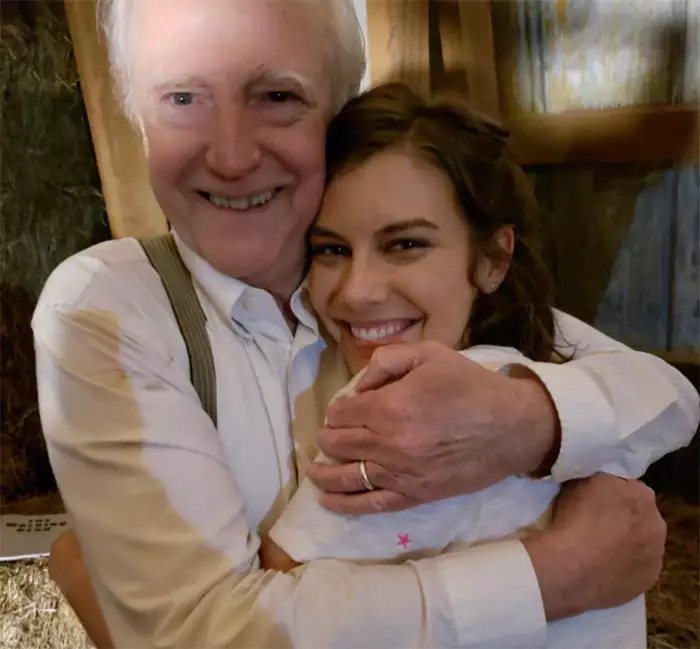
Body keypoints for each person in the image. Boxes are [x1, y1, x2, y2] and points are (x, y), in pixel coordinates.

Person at [34, 0, 698, 647]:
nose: (232, 157)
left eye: (276, 96)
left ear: (337, 114)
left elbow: (663, 394)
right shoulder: (110, 306)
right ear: (135, 119)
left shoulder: (410, 314)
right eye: (182, 98)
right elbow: (200, 632)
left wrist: (527, 420)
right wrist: (555, 576)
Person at [265, 82, 663, 648]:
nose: (358, 291)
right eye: (331, 249)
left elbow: (274, 593)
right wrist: (557, 570)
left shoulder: (391, 404)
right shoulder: (550, 361)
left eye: (405, 244)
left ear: (494, 258)